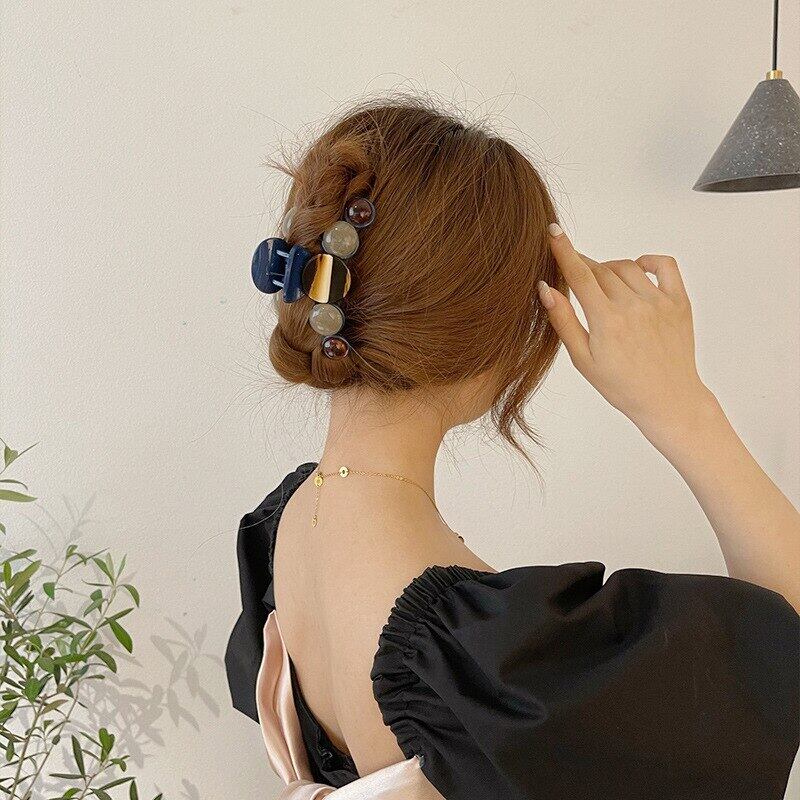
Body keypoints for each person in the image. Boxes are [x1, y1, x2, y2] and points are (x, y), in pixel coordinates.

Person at [225, 99, 800, 799]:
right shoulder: (489, 665)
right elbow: (782, 648)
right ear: (498, 331)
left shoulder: (285, 530)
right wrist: (682, 404)